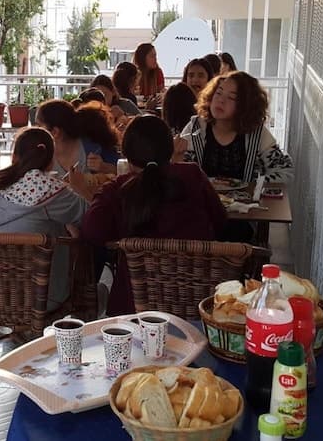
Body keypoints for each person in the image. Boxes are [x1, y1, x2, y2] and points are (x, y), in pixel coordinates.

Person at [82, 115, 227, 314]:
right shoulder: (193, 175)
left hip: (133, 308)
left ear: (126, 154)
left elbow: (92, 232)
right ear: (169, 149)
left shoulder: (117, 189)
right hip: (200, 305)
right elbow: (220, 222)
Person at [0, 127, 94, 309]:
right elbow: (93, 219)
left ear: (14, 156)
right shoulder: (49, 188)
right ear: (51, 160)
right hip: (40, 299)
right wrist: (80, 187)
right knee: (99, 288)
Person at [174, 71, 294, 183]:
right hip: (203, 198)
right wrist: (176, 157)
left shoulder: (257, 133)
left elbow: (285, 172)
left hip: (246, 199)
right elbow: (179, 176)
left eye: (231, 98)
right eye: (218, 93)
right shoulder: (196, 128)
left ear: (245, 106)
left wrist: (253, 185)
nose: (221, 100)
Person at [35, 99, 120, 176]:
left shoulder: (95, 146)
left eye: (39, 125)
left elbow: (124, 172)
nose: (34, 129)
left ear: (55, 132)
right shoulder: (39, 155)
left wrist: (105, 167)